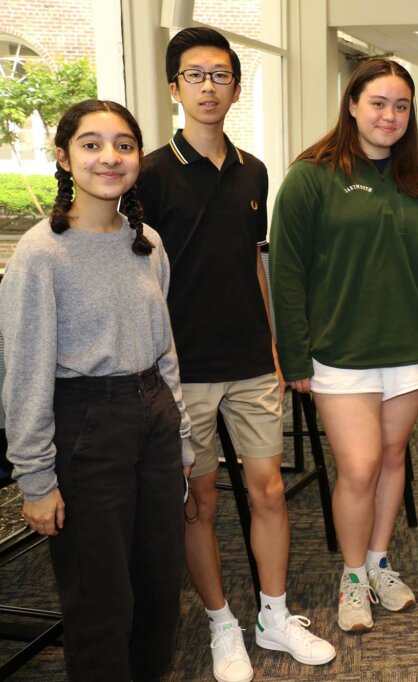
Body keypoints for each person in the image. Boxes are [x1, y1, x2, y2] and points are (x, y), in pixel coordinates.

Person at [137, 27, 334, 682]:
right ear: (174, 88)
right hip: (183, 368)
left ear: (236, 88)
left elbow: (254, 261)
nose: (208, 87)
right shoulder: (149, 174)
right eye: (195, 75)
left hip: (251, 360)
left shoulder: (254, 169)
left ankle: (272, 615)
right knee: (200, 503)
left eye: (220, 75)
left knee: (269, 491)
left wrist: (275, 343)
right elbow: (142, 276)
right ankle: (223, 622)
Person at [0, 99, 192, 681]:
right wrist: (35, 479)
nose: (109, 157)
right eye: (91, 144)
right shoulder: (41, 254)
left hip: (152, 415)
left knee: (160, 587)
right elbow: (24, 373)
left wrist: (180, 440)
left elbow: (166, 352)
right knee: (101, 599)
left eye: (124, 145)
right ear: (63, 157)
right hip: (85, 423)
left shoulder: (148, 242)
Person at [271, 58, 418, 633]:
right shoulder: (310, 175)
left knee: (394, 458)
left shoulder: (417, 183)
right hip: (339, 354)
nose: (390, 115)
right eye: (378, 102)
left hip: (410, 350)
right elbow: (287, 272)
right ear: (352, 104)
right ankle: (351, 577)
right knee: (359, 466)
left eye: (401, 105)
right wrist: (294, 355)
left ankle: (378, 562)